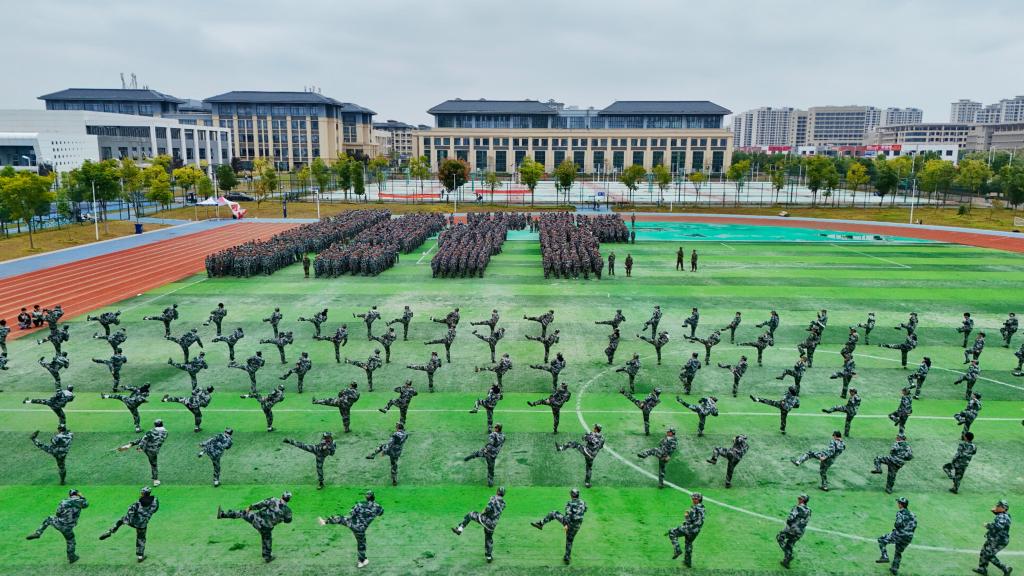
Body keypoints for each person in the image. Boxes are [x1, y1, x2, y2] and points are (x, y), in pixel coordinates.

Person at [216, 492, 293, 563]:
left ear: (282, 496)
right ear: (289, 499)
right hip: (267, 527)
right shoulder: (288, 511)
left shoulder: (273, 500)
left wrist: (250, 507)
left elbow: (260, 504)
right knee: (267, 539)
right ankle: (267, 557)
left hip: (257, 520)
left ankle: (223, 515)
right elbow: (288, 521)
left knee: (242, 513)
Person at [320, 491, 384, 568]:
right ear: (374, 497)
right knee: (361, 544)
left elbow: (352, 513)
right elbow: (381, 513)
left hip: (351, 523)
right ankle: (361, 561)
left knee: (341, 518)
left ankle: (325, 522)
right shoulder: (378, 507)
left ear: (366, 497)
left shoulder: (360, 504)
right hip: (360, 529)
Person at [26, 489, 89, 564]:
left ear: (70, 495)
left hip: (59, 523)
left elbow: (58, 513)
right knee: (70, 541)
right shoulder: (81, 501)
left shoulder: (63, 501)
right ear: (77, 494)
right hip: (68, 527)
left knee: (48, 519)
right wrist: (82, 496)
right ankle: (71, 557)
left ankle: (38, 533)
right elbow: (86, 505)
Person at [99, 486, 159, 563]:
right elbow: (155, 510)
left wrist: (128, 519)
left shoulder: (137, 503)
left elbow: (130, 511)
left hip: (132, 521)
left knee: (120, 521)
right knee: (141, 538)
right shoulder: (154, 501)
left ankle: (110, 531)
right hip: (142, 524)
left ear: (143, 493)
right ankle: (140, 556)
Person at [531, 488, 587, 564]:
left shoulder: (570, 503)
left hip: (570, 523)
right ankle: (567, 557)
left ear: (571, 495)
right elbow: (585, 510)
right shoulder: (583, 502)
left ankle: (540, 523)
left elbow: (568, 515)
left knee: (554, 513)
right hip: (578, 525)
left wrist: (566, 525)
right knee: (569, 540)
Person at [452, 486, 505, 564]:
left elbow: (488, 508)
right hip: (493, 525)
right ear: (503, 494)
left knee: (470, 514)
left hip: (486, 520)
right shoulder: (504, 503)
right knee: (488, 538)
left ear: (497, 492)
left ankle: (459, 529)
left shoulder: (494, 498)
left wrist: (483, 512)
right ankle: (489, 557)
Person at [877, 497, 917, 575]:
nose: (897, 504)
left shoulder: (900, 513)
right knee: (898, 552)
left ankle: (884, 557)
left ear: (901, 505)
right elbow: (914, 525)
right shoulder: (913, 515)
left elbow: (897, 524)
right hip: (908, 538)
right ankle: (894, 569)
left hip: (899, 535)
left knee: (881, 540)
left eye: (898, 503)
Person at [556, 424, 604, 488]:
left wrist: (587, 435)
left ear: (596, 429)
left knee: (574, 444)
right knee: (589, 467)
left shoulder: (592, 434)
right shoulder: (602, 438)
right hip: (592, 456)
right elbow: (600, 446)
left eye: (594, 428)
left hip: (587, 452)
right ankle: (587, 483)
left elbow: (583, 438)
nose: (593, 428)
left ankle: (561, 448)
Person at [974, 500, 1013, 576]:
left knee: (989, 554)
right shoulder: (1004, 515)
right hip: (994, 539)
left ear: (1003, 508)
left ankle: (1005, 568)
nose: (996, 507)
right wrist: (995, 512)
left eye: (998, 506)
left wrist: (987, 525)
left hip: (999, 540)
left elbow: (998, 526)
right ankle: (982, 569)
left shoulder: (1003, 517)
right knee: (984, 551)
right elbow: (1001, 518)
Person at [667, 492, 705, 567]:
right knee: (688, 543)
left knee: (672, 532)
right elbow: (698, 520)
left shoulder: (695, 507)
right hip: (696, 531)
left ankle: (677, 550)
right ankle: (688, 562)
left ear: (699, 499)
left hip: (690, 528)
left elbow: (690, 520)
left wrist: (687, 515)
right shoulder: (703, 508)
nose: (693, 500)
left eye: (695, 499)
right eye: (693, 498)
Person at [366, 421, 409, 486]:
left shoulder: (395, 434)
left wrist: (384, 451)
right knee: (394, 464)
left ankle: (373, 455)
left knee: (381, 446)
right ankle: (394, 479)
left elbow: (390, 443)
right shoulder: (405, 434)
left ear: (397, 427)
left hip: (391, 450)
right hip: (398, 451)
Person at [776, 494, 811, 569]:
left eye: (800, 499)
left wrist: (789, 526)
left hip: (793, 529)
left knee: (780, 537)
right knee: (790, 544)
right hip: (801, 532)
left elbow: (790, 518)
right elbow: (806, 521)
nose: (798, 500)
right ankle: (786, 562)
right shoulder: (809, 510)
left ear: (803, 500)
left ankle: (788, 555)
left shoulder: (797, 507)